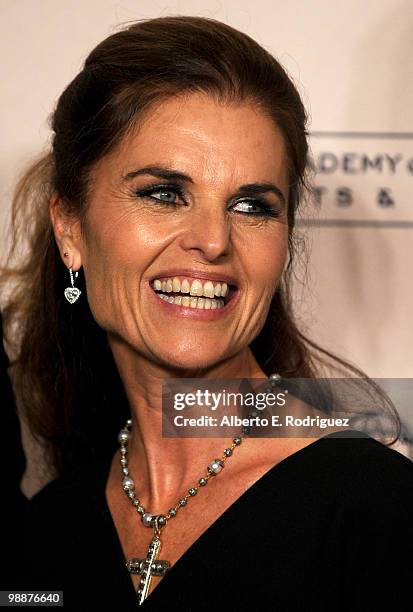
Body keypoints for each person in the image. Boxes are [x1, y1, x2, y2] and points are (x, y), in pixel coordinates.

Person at [1, 15, 412, 611]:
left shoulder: (375, 510)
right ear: (71, 229)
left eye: (252, 205)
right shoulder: (47, 531)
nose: (213, 240)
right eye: (164, 193)